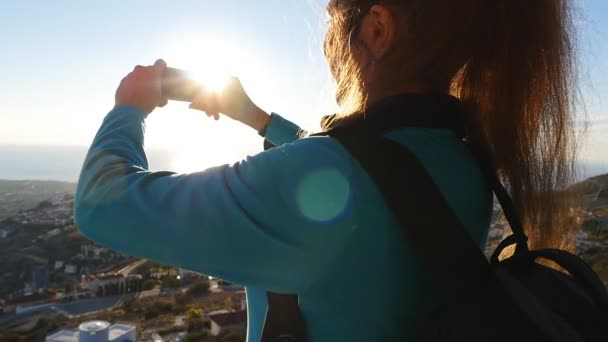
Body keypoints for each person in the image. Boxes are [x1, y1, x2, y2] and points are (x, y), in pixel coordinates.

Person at [75, 0, 578, 341]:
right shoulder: (464, 160)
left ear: (378, 30)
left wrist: (130, 107)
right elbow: (371, 177)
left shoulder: (314, 177)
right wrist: (256, 118)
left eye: (339, 16)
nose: (329, 40)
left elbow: (103, 202)